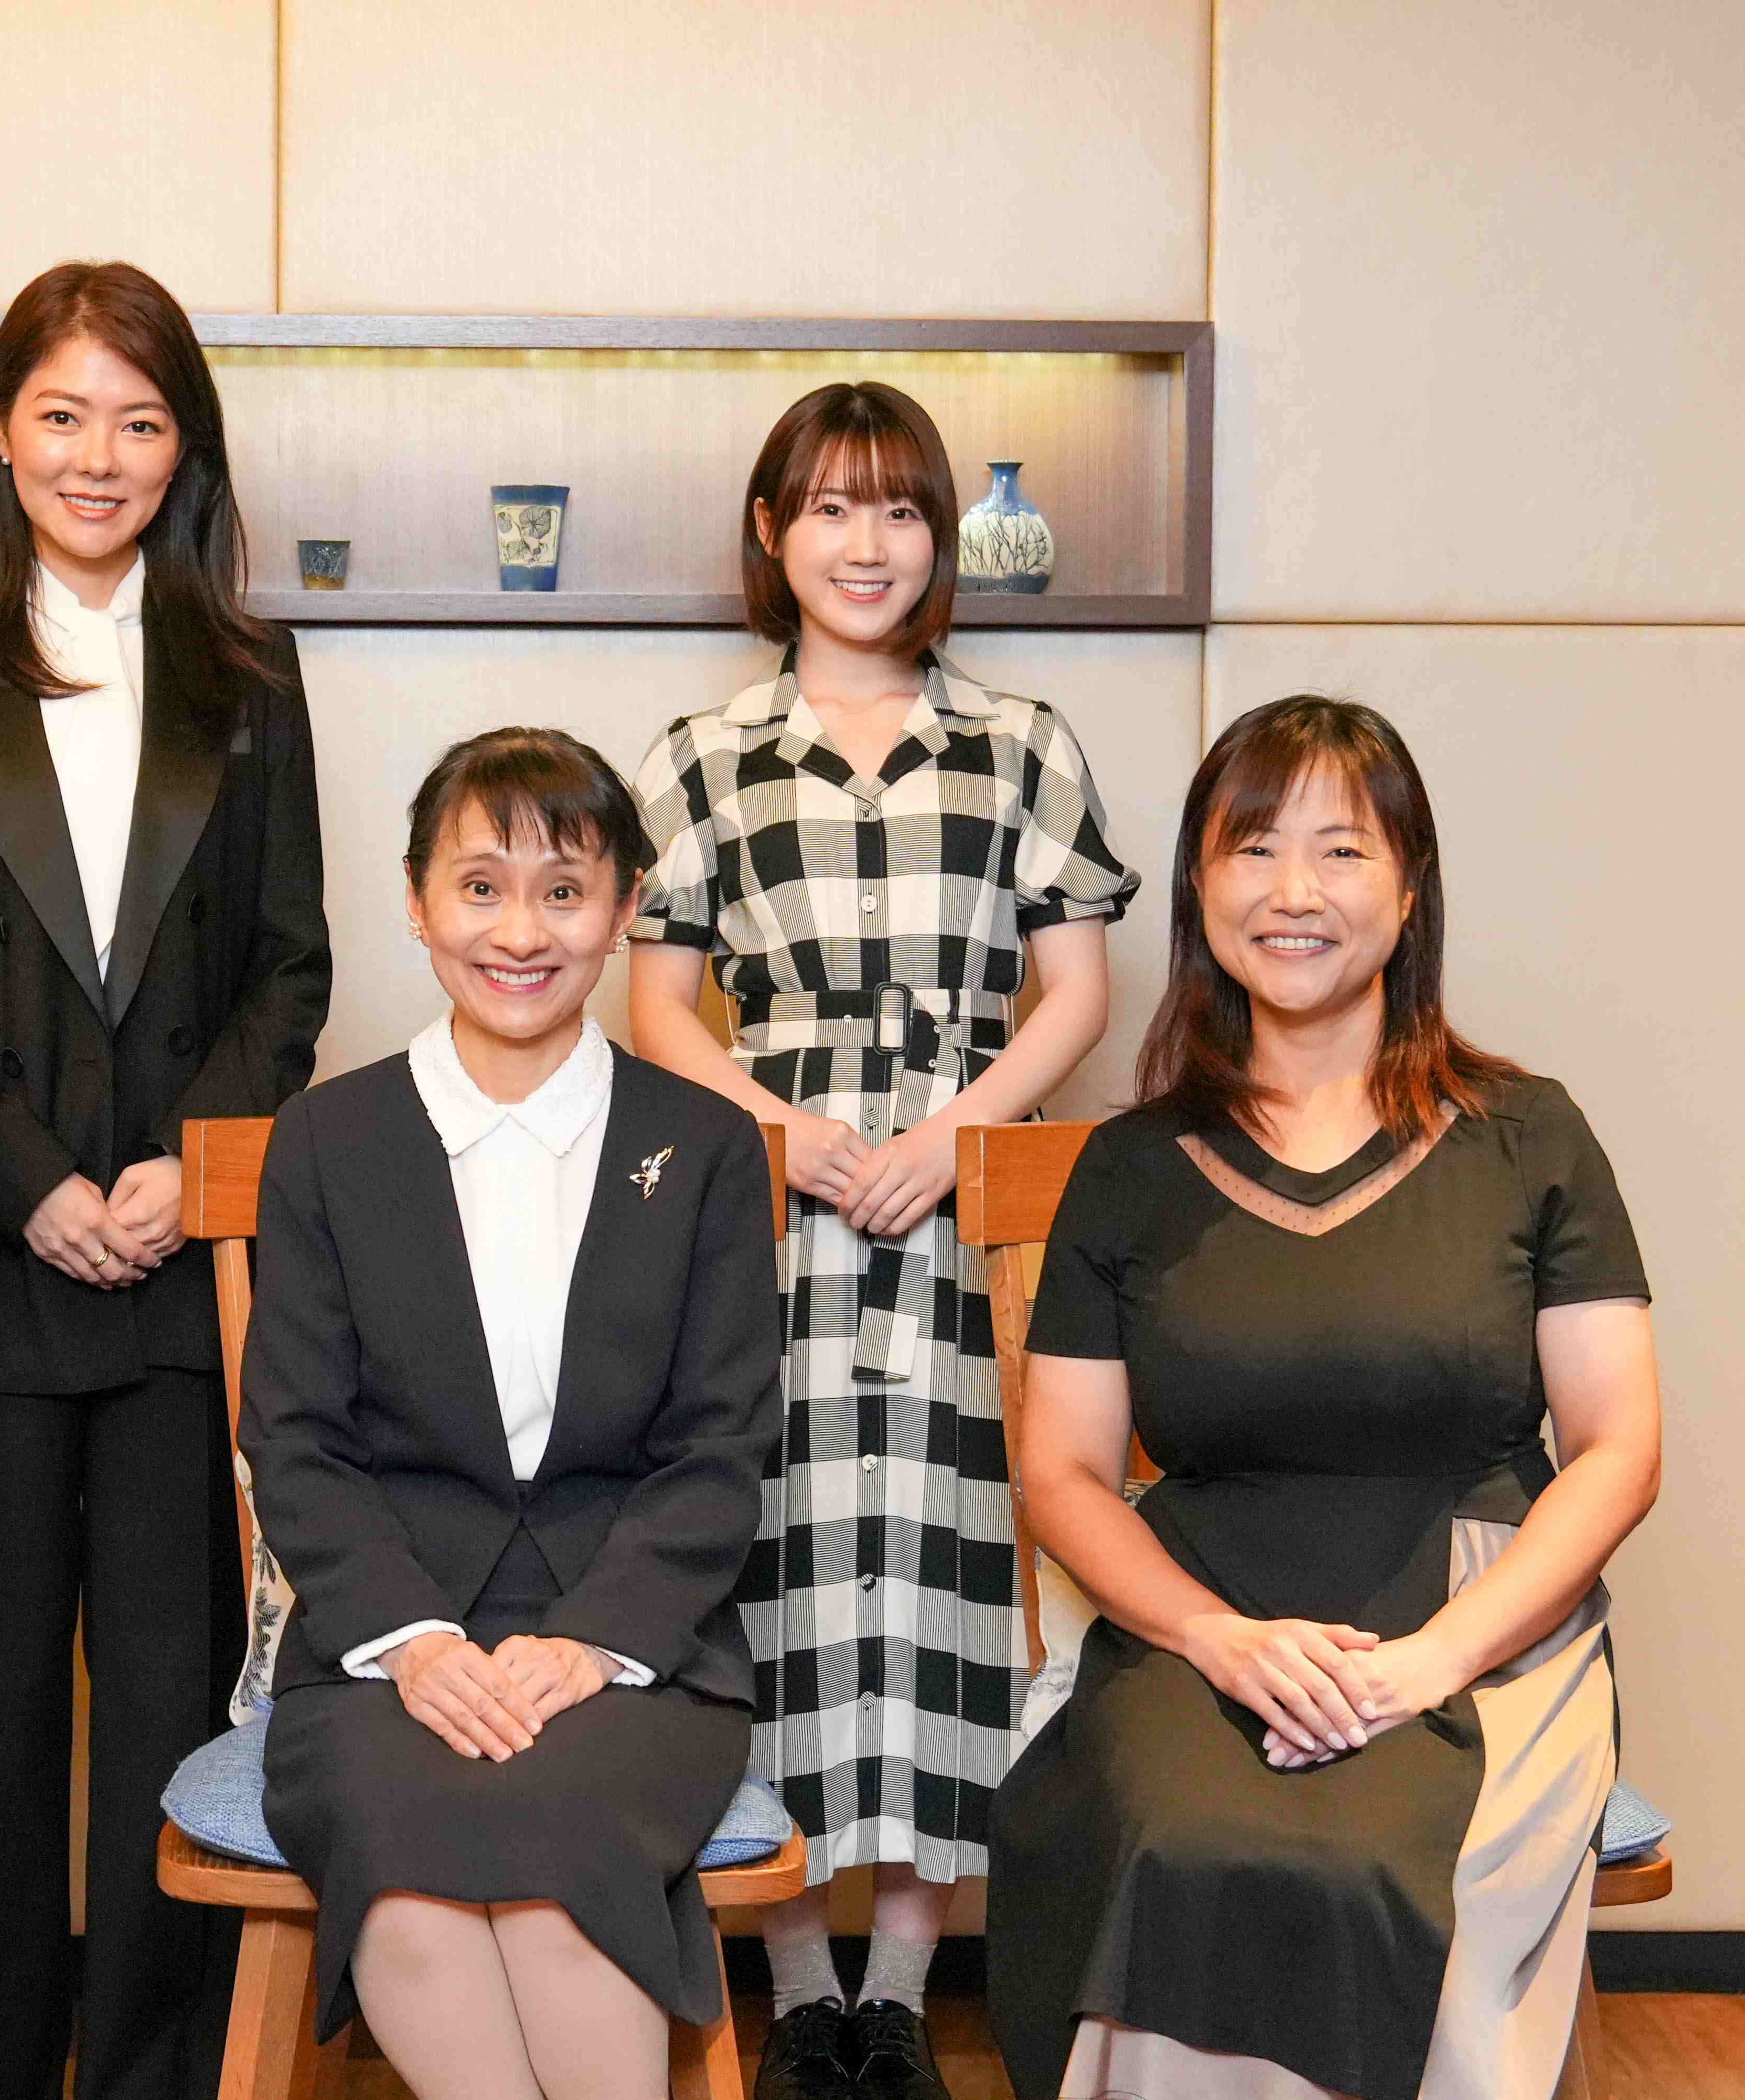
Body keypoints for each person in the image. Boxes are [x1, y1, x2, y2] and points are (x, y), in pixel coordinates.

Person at [988, 696, 1663, 2100]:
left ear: (1408, 886)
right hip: (1201, 1615)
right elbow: (1062, 1471)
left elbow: (1617, 1447)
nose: (1293, 892)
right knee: (1179, 1840)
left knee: (1373, 1862)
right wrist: (1222, 1641)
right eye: (1253, 849)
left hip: (1481, 1610)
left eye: (1341, 851)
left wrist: (1431, 1661)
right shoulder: (1127, 1165)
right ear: (1199, 885)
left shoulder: (1530, 1136)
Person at [0, 259, 331, 2100]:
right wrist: (31, 1177)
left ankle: (148, 2072)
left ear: (183, 443)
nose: (97, 454)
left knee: (180, 1705)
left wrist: (173, 1183)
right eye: (62, 414)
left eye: (137, 417)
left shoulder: (256, 674)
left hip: (185, 1281)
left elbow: (293, 967)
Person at [624, 381, 1137, 2097]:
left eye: (899, 509)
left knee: (950, 1560)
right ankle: (793, 1976)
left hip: (972, 1199)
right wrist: (792, 1134)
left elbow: (1079, 987)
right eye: (829, 507)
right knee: (760, 1554)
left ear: (943, 538)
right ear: (772, 534)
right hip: (763, 1198)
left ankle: (904, 1989)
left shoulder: (1023, 741)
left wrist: (951, 1134)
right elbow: (661, 1005)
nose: (866, 542)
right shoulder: (701, 755)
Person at [242, 728, 781, 2100]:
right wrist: (416, 1644)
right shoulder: (327, 1138)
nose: (520, 929)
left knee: (553, 1872)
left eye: (563, 887)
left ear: (624, 906)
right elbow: (296, 1438)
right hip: (380, 1650)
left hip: (636, 1650)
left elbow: (720, 1447)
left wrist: (595, 1644)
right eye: (480, 886)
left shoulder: (706, 1143)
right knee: (416, 1885)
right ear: (417, 900)